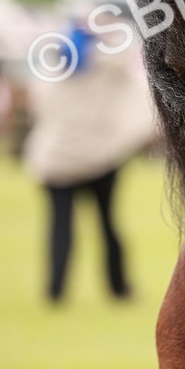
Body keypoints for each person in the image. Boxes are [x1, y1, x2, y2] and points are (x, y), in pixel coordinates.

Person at [24, 18, 155, 304]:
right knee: (107, 223)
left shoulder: (51, 70)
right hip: (100, 157)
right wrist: (102, 29)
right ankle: (118, 288)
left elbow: (36, 101)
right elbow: (128, 50)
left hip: (57, 159)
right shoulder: (105, 67)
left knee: (60, 226)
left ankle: (55, 291)